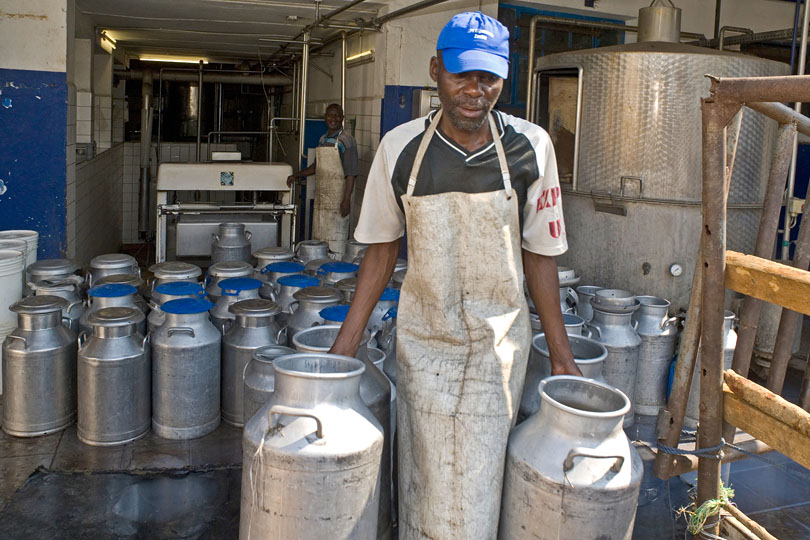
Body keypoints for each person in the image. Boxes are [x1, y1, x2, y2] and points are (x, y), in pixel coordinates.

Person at [330, 11, 581, 540]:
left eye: (488, 78)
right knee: (426, 477)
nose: (475, 91)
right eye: (461, 75)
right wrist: (343, 351)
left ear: (503, 79)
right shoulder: (400, 151)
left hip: (500, 351)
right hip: (424, 350)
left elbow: (541, 254)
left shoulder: (530, 147)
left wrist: (561, 355)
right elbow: (380, 252)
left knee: (481, 483)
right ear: (435, 70)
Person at [287, 103, 359, 256]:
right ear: (325, 118)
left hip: (338, 201)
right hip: (322, 200)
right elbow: (316, 167)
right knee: (320, 241)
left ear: (342, 118)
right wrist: (297, 175)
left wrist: (346, 200)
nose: (333, 118)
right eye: (330, 115)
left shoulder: (347, 140)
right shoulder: (323, 139)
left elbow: (351, 173)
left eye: (337, 115)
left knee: (336, 242)